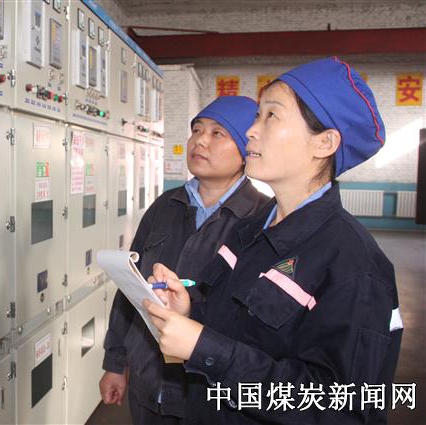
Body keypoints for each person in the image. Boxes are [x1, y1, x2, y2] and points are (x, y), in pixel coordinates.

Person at [145, 57, 403, 424]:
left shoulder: (354, 265)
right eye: (257, 116)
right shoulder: (249, 231)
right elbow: (236, 326)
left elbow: (341, 409)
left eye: (271, 116)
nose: (251, 130)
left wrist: (208, 349)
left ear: (324, 143)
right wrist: (189, 313)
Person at [100, 96, 270, 424]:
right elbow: (130, 289)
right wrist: (115, 363)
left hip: (212, 399)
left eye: (218, 133)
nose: (200, 141)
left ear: (245, 151)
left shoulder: (262, 218)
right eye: (197, 130)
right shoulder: (165, 206)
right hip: (147, 385)